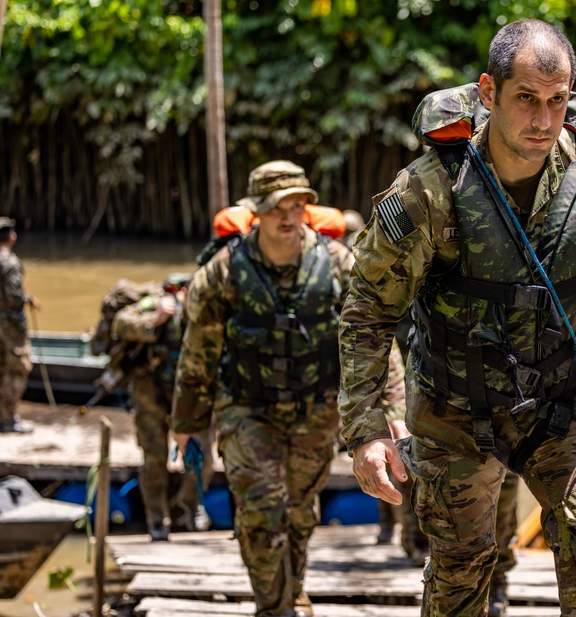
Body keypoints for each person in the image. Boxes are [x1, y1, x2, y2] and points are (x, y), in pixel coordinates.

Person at [338, 19, 576, 617]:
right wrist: (366, 430)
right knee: (462, 570)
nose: (542, 121)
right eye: (526, 99)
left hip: (564, 402)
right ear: (488, 93)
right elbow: (367, 314)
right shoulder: (429, 192)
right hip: (455, 408)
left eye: (557, 102)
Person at [170, 161, 406, 617]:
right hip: (246, 410)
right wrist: (187, 424)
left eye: (298, 205)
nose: (289, 215)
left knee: (298, 515)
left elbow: (373, 336)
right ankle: (273, 608)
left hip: (315, 412)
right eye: (278, 206)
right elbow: (197, 352)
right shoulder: (222, 273)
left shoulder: (338, 264)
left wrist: (393, 405)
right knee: (261, 516)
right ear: (256, 210)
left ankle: (291, 590)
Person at [112, 273, 213, 541]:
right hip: (151, 395)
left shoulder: (211, 310)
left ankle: (190, 505)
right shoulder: (158, 303)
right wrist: (154, 320)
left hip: (190, 397)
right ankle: (157, 520)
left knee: (202, 456)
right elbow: (120, 322)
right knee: (155, 459)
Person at [0, 217, 39, 434]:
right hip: (11, 321)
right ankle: (8, 420)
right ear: (12, 237)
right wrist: (26, 300)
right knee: (18, 368)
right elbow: (13, 296)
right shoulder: (10, 262)